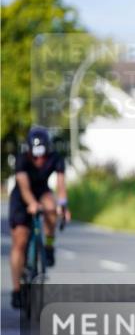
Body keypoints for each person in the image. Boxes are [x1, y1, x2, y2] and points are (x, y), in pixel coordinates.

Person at [8, 126, 70, 309]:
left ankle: (49, 245)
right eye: (36, 155)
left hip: (43, 191)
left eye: (42, 154)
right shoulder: (21, 160)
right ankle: (17, 290)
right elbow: (24, 185)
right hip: (22, 197)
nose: (39, 159)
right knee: (20, 241)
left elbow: (61, 185)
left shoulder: (56, 159)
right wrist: (31, 203)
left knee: (51, 207)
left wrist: (63, 206)